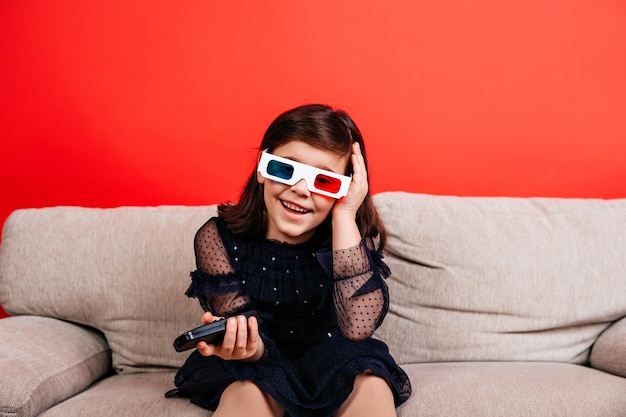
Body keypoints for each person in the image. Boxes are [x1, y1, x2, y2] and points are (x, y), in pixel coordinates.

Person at [170, 104, 411, 417]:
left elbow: (356, 327)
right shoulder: (217, 238)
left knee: (371, 383)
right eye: (285, 169)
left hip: (336, 359)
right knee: (249, 389)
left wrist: (346, 215)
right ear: (261, 168)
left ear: (347, 189)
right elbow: (245, 324)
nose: (299, 189)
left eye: (324, 182)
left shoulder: (348, 238)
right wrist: (246, 346)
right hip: (258, 362)